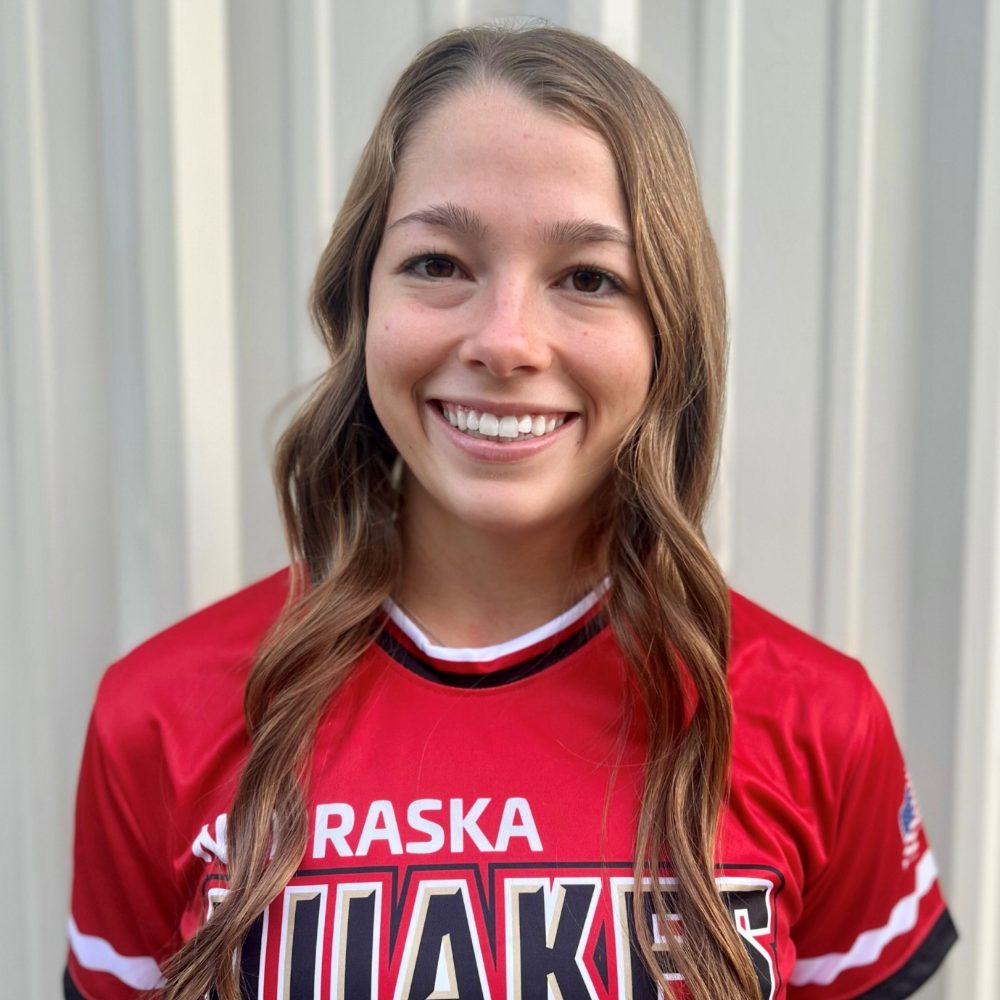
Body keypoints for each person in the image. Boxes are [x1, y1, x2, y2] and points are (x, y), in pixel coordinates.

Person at [64, 22, 957, 1000]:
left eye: (588, 278)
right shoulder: (157, 716)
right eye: (439, 263)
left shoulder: (818, 720)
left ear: (669, 332)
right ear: (362, 301)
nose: (504, 341)